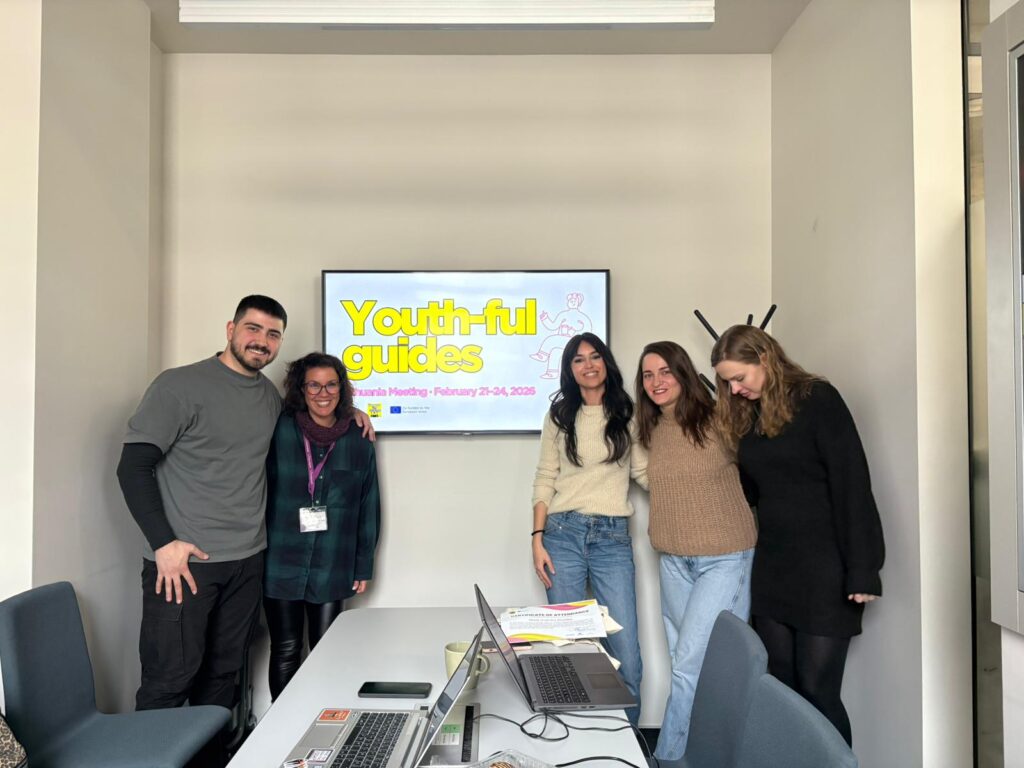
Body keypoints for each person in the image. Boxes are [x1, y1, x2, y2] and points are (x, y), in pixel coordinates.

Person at [116, 296, 373, 719]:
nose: (262, 341)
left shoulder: (269, 398)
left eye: (273, 334)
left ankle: (213, 753)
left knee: (223, 675)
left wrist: (352, 412)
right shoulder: (178, 385)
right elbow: (132, 467)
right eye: (253, 328)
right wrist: (163, 543)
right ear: (231, 329)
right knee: (169, 680)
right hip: (186, 564)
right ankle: (155, 750)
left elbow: (316, 413)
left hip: (248, 562)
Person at [711, 325, 885, 745]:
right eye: (727, 382)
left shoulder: (817, 399)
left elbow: (852, 482)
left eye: (739, 378)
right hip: (774, 566)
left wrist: (864, 569)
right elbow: (757, 490)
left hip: (825, 569)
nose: (734, 390)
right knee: (782, 688)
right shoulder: (750, 415)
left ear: (764, 358)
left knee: (818, 691)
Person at [634, 341, 756, 761]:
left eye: (665, 371)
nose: (656, 381)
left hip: (724, 559)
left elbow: (762, 472)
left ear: (683, 372)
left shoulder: (721, 419)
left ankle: (667, 759)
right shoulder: (651, 430)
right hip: (673, 562)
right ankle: (703, 754)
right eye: (648, 375)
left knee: (690, 665)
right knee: (684, 663)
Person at [531, 332, 646, 726]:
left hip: (611, 539)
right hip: (561, 534)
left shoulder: (627, 413)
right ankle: (573, 740)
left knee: (625, 651)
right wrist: (537, 540)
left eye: (594, 356)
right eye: (578, 360)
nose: (588, 365)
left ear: (605, 362)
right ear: (570, 370)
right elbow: (545, 477)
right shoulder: (559, 416)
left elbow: (644, 472)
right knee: (568, 648)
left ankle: (630, 745)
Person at [263, 352, 381, 700]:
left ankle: (321, 719)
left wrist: (363, 564)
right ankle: (283, 723)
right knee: (285, 649)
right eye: (313, 385)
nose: (323, 393)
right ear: (301, 389)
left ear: (342, 389)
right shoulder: (279, 429)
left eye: (331, 385)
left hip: (333, 561)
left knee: (326, 650)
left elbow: (368, 504)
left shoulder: (358, 437)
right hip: (281, 560)